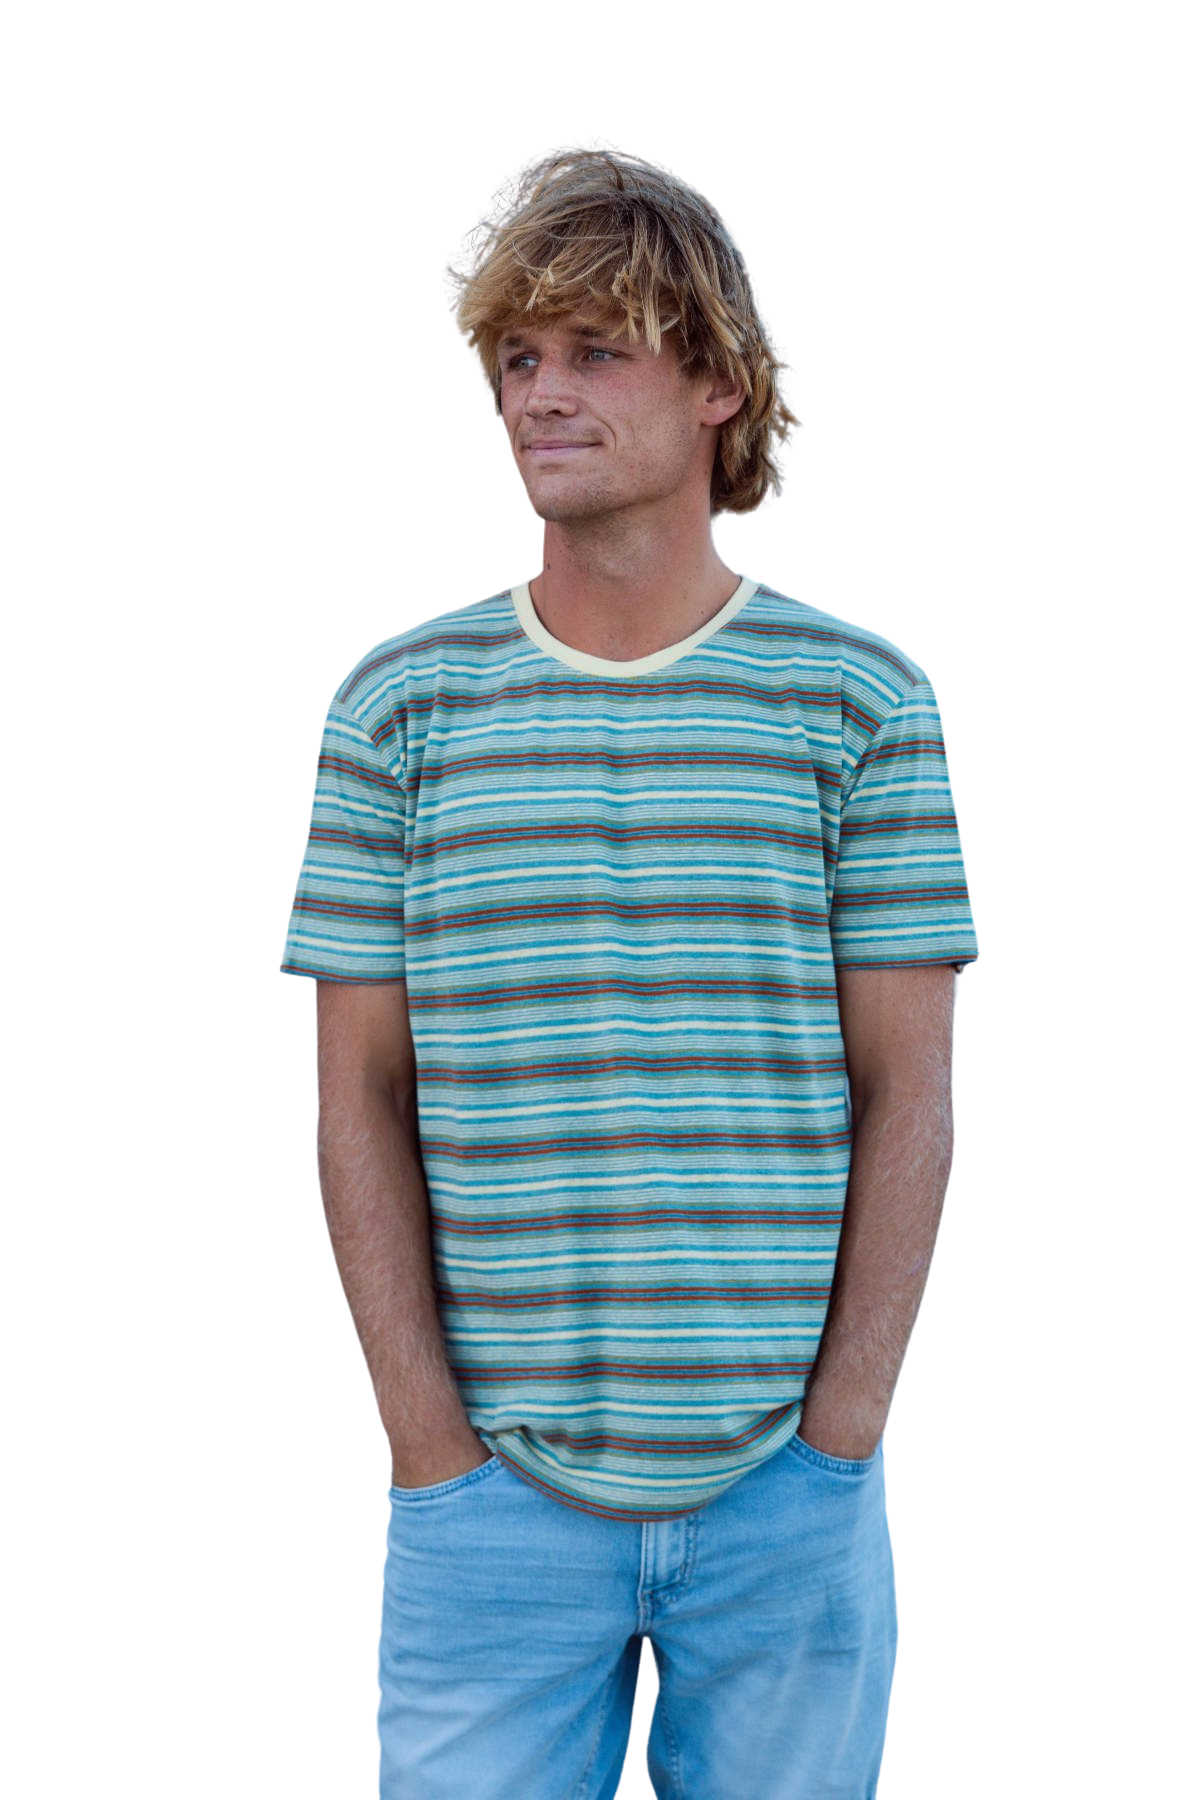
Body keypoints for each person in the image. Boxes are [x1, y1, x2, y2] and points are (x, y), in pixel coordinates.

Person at [280, 139, 978, 1800]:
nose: (541, 394)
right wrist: (427, 1450)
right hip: (486, 1506)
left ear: (718, 383)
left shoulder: (859, 698)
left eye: (595, 350)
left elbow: (911, 1090)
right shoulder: (397, 704)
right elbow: (357, 1098)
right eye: (518, 357)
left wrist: (841, 1440)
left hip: (788, 1502)